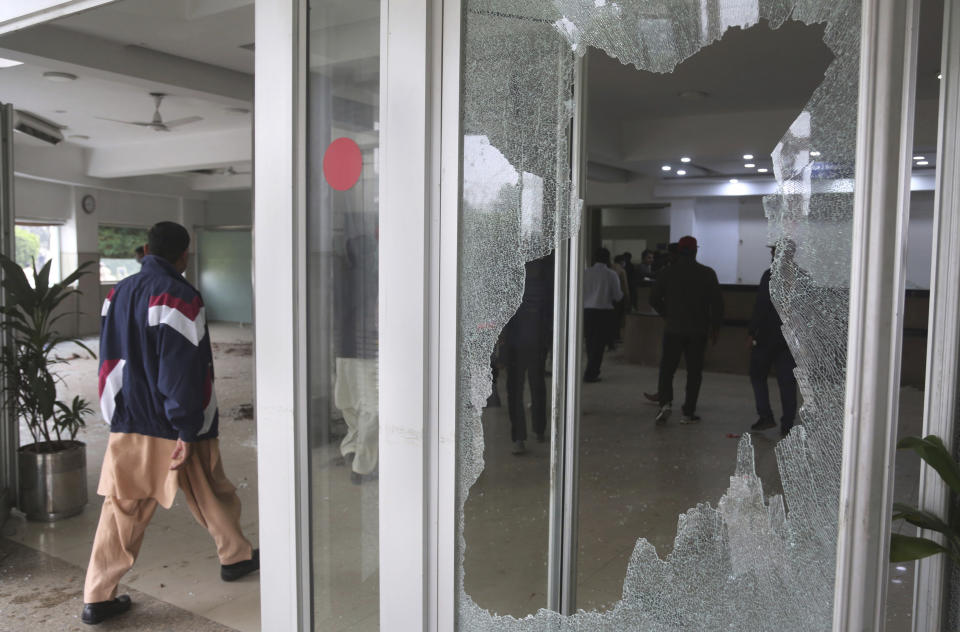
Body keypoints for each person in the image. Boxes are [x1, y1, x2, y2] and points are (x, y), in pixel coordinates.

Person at [82, 222, 258, 625]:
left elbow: (107, 357)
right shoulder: (179, 295)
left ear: (146, 249)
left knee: (195, 489)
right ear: (184, 255)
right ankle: (97, 597)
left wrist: (116, 413)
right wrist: (185, 428)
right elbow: (180, 369)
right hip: (174, 419)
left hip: (130, 414)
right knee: (149, 501)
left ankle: (236, 555)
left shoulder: (118, 292)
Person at [649, 235, 723, 424]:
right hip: (698, 331)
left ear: (679, 251)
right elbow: (717, 304)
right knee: (694, 372)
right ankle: (688, 412)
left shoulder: (667, 273)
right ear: (696, 251)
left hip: (673, 329)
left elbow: (653, 299)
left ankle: (665, 403)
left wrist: (667, 314)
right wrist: (715, 328)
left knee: (667, 369)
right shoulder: (707, 273)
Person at [334, 228, 379, 484]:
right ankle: (363, 467)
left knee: (350, 404)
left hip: (343, 350)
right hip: (365, 351)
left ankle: (351, 450)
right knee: (373, 410)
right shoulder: (371, 280)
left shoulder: (340, 279)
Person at [501, 254, 553, 454]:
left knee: (520, 390)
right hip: (529, 344)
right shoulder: (543, 285)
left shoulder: (515, 286)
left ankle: (522, 437)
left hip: (523, 345)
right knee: (534, 386)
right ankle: (534, 431)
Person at [748, 246, 798, 437]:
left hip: (767, 337)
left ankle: (766, 415)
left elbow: (761, 306)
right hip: (791, 339)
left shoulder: (769, 276)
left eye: (773, 252)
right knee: (787, 382)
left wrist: (751, 332)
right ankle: (787, 425)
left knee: (757, 375)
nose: (771, 255)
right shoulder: (802, 277)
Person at [583, 247, 623, 382]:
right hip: (604, 312)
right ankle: (592, 372)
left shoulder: (585, 272)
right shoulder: (611, 274)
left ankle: (590, 368)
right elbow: (618, 296)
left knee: (589, 342)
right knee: (599, 344)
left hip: (587, 311)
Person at [610, 254, 630, 346]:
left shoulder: (609, 268)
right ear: (622, 262)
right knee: (618, 319)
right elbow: (625, 287)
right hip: (619, 298)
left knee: (611, 318)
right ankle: (616, 337)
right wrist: (627, 299)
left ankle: (610, 337)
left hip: (608, 298)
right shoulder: (622, 270)